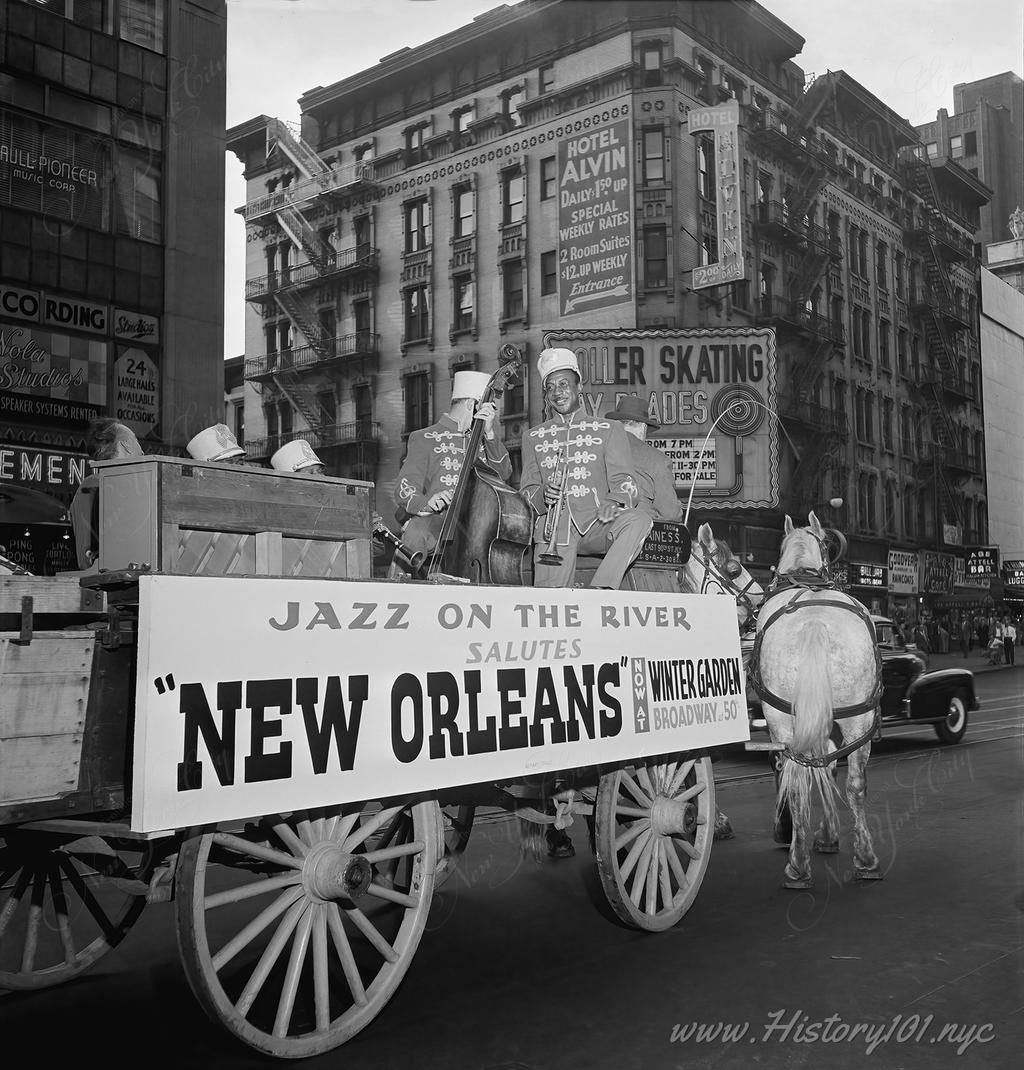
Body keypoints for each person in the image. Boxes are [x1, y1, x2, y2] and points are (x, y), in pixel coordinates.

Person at [519, 348, 651, 591]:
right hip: (555, 532)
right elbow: (526, 493)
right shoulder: (532, 437)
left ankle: (600, 590)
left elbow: (628, 485)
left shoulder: (609, 429)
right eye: (550, 387)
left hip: (598, 523)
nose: (557, 392)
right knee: (550, 607)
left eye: (564, 384)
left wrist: (615, 501)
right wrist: (542, 495)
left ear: (579, 387)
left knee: (639, 520)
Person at [393, 370, 510, 559]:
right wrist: (427, 503)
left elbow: (503, 475)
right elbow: (404, 487)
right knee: (416, 532)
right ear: (472, 405)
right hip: (437, 523)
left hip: (477, 526)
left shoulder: (484, 440)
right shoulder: (424, 437)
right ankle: (403, 584)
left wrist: (489, 433)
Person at [68, 418, 144, 570]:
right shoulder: (120, 485)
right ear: (125, 445)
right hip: (118, 578)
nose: (142, 450)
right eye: (135, 439)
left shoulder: (87, 486)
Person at [603, 395, 682, 522]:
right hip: (637, 534)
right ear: (643, 427)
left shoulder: (597, 450)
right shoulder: (657, 459)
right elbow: (670, 513)